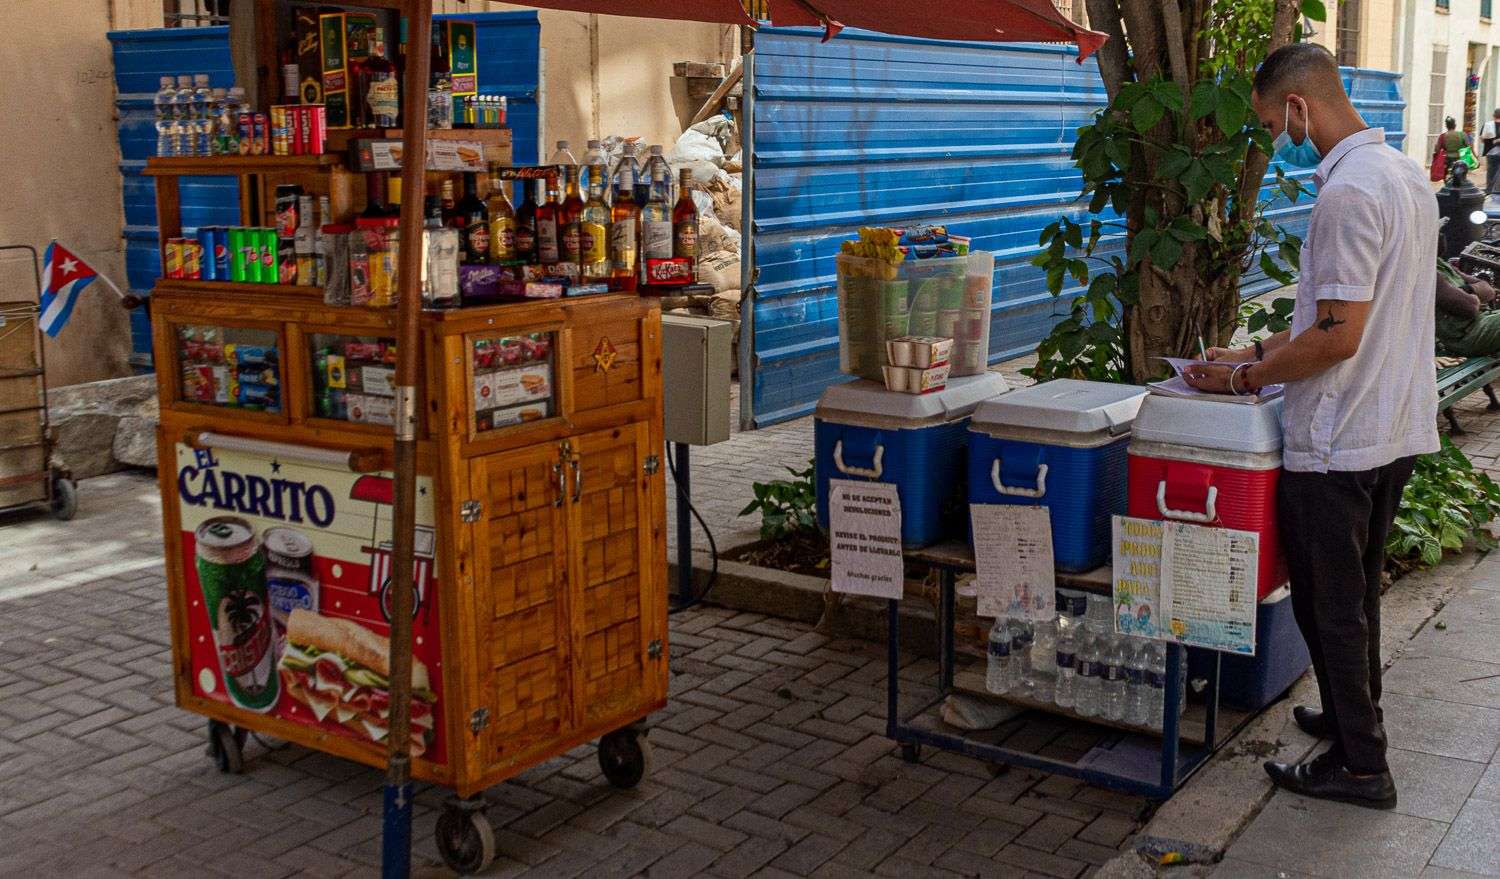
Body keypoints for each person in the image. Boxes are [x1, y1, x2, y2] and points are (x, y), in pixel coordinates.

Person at [1184, 43, 1439, 811]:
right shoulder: (1402, 178)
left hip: (1338, 438)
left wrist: (1244, 377)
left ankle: (1363, 765)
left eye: (1270, 122)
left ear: (1299, 105)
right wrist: (1255, 347)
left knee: (1326, 601)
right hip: (1389, 427)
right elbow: (1347, 315)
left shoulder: (1347, 195)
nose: (1272, 136)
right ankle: (1346, 715)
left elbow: (1336, 335)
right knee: (1352, 595)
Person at [1436, 258, 1500, 356]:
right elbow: (1470, 308)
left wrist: (1467, 290)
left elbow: (1488, 291)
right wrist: (1474, 293)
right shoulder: (1425, 271)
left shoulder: (1439, 262)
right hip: (1465, 336)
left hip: (1483, 319)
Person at [1486, 109, 1500, 193]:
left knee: (1491, 171)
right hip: (1493, 151)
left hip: (1491, 151)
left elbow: (1483, 138)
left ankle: (1490, 189)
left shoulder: (1488, 125)